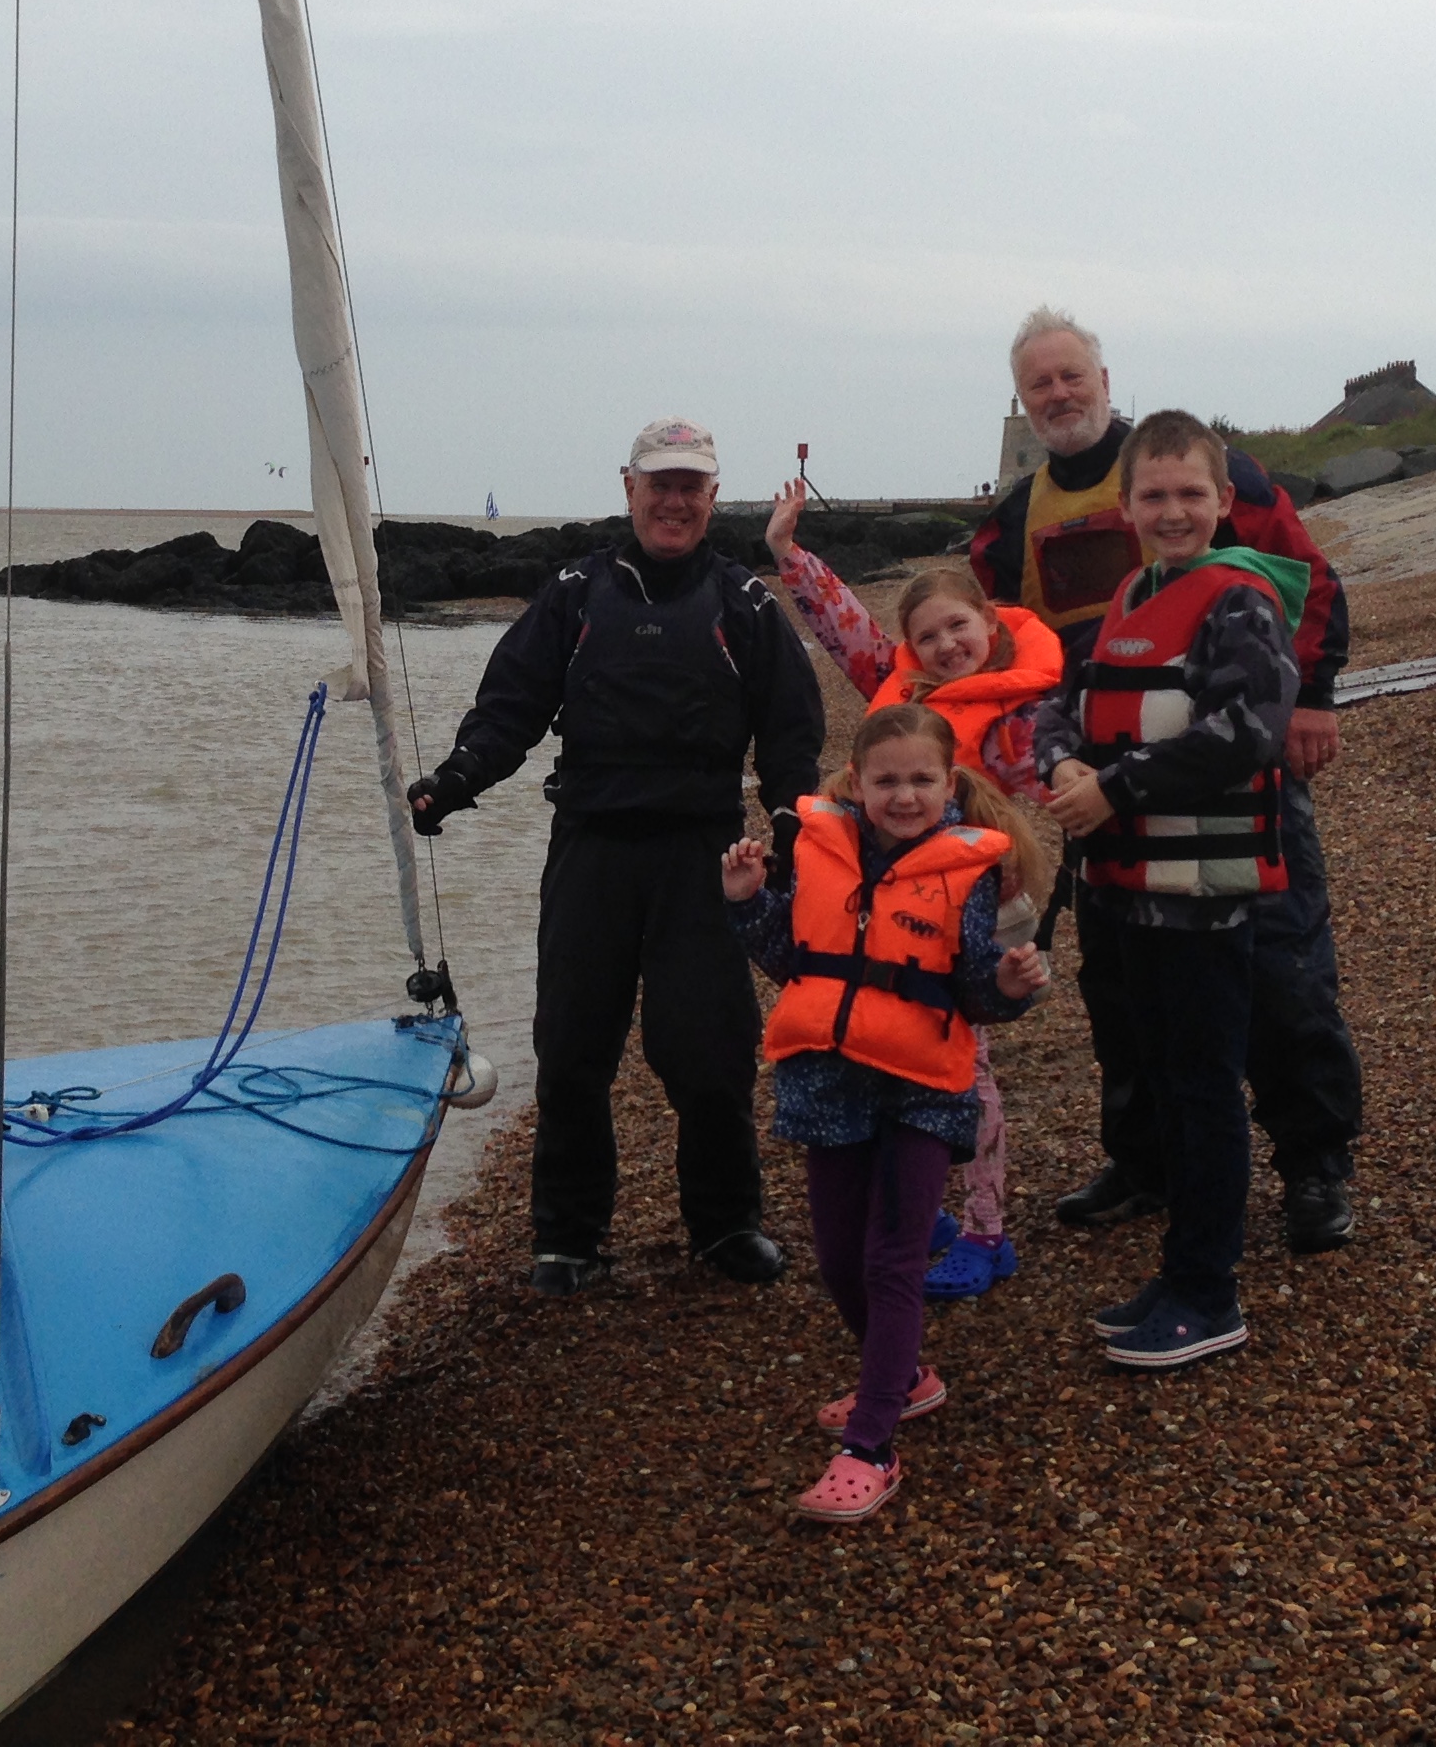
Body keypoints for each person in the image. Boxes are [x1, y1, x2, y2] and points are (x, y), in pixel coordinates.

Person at [971, 307, 1363, 1253]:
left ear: (1106, 381)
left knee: (1279, 962)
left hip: (1230, 762)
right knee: (1123, 979)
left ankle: (1314, 1161)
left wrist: (1311, 696)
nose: (1059, 396)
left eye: (1073, 377)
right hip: (1100, 783)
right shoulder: (1008, 527)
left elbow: (1310, 577)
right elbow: (1006, 656)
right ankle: (1143, 1158)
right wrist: (1041, 756)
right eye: (1040, 385)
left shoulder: (1200, 470)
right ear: (1022, 401)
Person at [410, 418, 826, 1297]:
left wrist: (794, 823)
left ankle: (725, 1224)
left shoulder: (743, 604)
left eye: (692, 486)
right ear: (628, 488)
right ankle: (568, 1236)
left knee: (708, 1054)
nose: (674, 500)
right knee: (570, 1052)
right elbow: (511, 705)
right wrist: (455, 780)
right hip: (592, 847)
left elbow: (792, 731)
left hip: (704, 855)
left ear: (713, 500)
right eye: (659, 483)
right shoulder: (573, 594)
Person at [722, 703, 1052, 1518]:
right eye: (887, 781)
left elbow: (974, 985)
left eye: (921, 781)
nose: (904, 796)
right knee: (836, 1257)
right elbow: (792, 960)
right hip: (829, 1081)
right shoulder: (820, 852)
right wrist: (748, 899)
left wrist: (1007, 990)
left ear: (949, 786)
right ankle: (903, 1378)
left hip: (922, 1088)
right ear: (857, 783)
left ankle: (871, 1444)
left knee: (892, 1261)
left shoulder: (969, 871)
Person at [1032, 412, 1304, 1370]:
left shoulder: (1239, 603)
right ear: (1126, 505)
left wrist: (1115, 788)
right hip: (1125, 893)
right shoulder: (1128, 599)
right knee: (1163, 1085)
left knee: (1203, 1092)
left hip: (1202, 899)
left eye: (1192, 494)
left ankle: (1208, 1290)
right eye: (1155, 495)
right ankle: (1178, 1266)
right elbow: (1060, 705)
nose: (1173, 510)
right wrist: (1063, 766)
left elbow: (1250, 732)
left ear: (1224, 503)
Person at [763, 486, 1060, 1298]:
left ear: (990, 627)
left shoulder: (1022, 712)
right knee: (903, 1060)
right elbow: (845, 627)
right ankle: (932, 1205)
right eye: (927, 636)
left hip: (985, 907)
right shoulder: (906, 694)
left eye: (959, 627)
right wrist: (791, 554)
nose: (946, 644)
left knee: (970, 1070)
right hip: (903, 911)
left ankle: (987, 1229)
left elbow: (1066, 773)